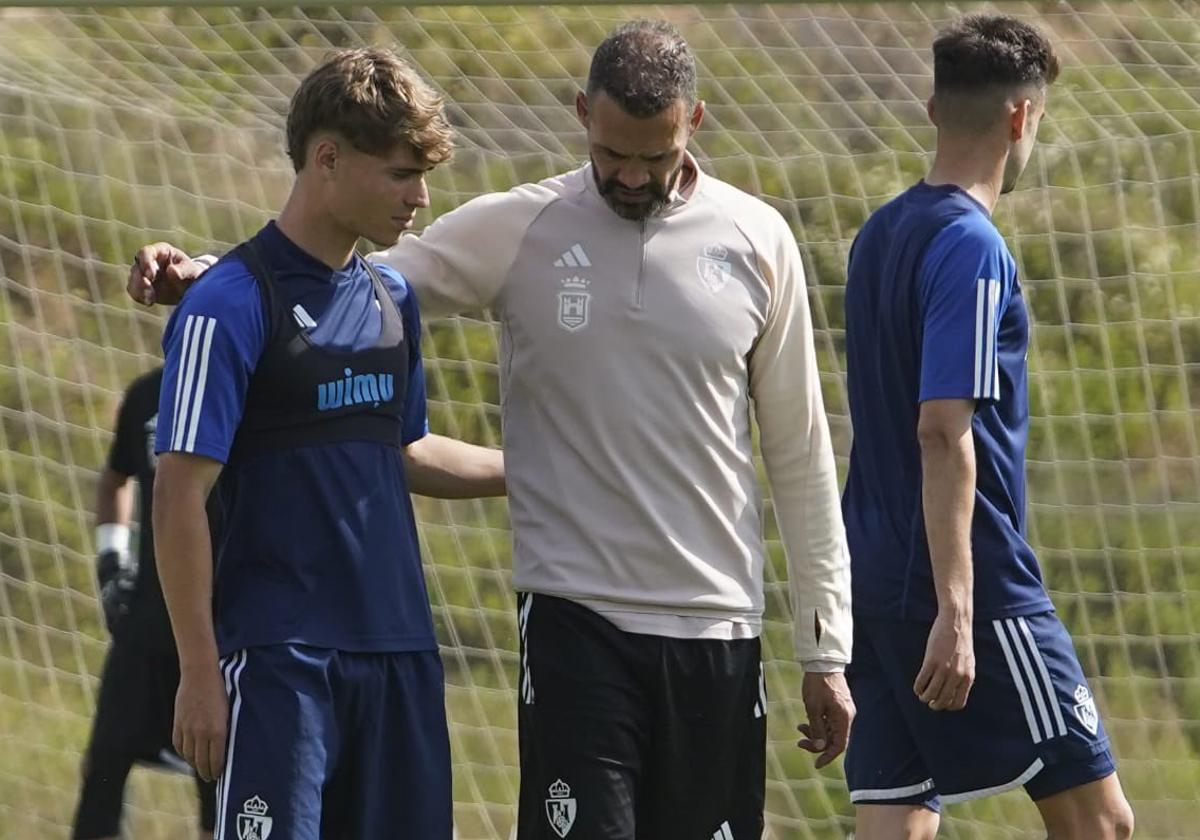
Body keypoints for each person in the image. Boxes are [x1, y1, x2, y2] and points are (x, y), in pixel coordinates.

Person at [130, 21, 853, 840]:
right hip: (560, 617)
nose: (631, 175)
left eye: (654, 157)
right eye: (612, 152)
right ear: (583, 114)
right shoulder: (522, 226)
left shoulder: (759, 239)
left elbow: (799, 454)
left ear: (695, 123)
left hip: (713, 624)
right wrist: (204, 271)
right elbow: (320, 279)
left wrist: (826, 645)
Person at [144, 48, 504, 839]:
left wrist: (535, 472)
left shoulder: (392, 298)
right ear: (328, 158)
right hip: (281, 661)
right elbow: (177, 495)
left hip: (402, 654)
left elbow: (405, 452)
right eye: (402, 174)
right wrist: (200, 671)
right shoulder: (227, 303)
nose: (420, 197)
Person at [839, 14, 1134, 840]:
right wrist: (959, 611)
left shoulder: (879, 234)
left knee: (895, 823)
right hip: (972, 587)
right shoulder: (973, 247)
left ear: (934, 111)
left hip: (872, 578)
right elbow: (941, 429)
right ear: (1021, 118)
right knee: (1100, 822)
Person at [72, 366, 216, 840]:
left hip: (217, 641)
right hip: (145, 632)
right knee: (102, 771)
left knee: (220, 794)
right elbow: (116, 476)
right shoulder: (149, 393)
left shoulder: (251, 389)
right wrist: (111, 561)